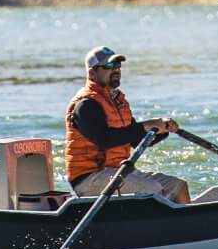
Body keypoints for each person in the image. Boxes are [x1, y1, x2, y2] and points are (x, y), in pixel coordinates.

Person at [63, 47, 190, 203]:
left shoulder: (118, 102)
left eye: (118, 66)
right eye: (109, 66)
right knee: (151, 190)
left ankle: (180, 222)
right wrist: (146, 126)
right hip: (89, 178)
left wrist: (162, 130)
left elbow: (135, 141)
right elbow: (105, 140)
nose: (116, 70)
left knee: (178, 186)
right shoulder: (85, 105)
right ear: (92, 73)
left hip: (119, 172)